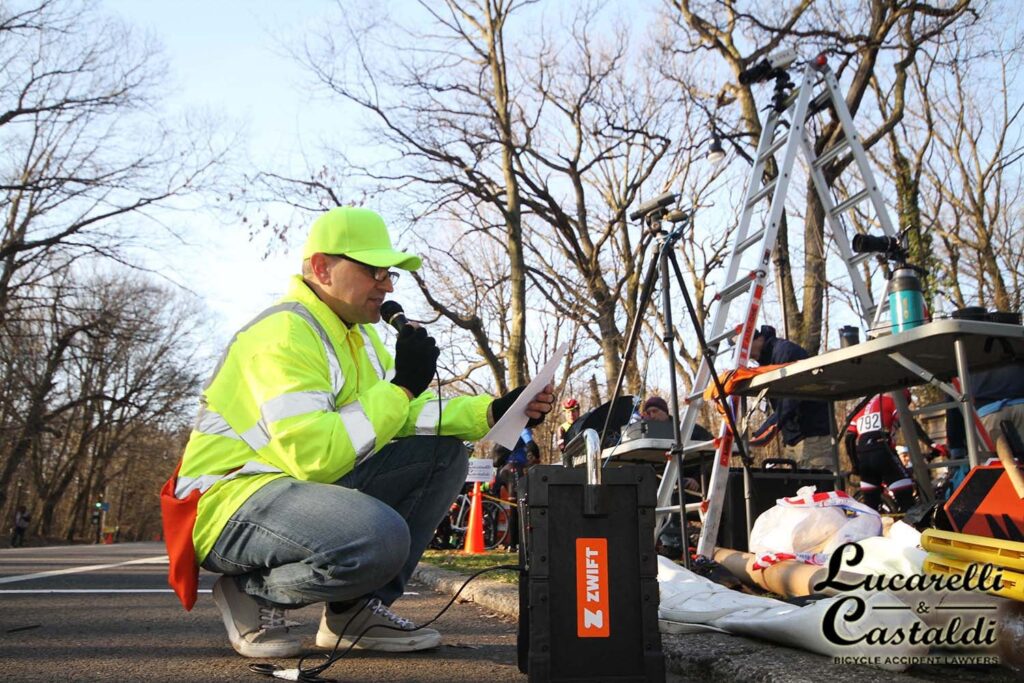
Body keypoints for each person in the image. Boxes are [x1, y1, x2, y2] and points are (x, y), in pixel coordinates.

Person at [161, 207, 554, 659]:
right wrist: (402, 386)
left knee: (443, 456)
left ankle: (354, 612)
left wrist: (493, 410)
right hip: (227, 503)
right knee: (379, 537)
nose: (387, 286)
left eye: (389, 274)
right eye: (373, 271)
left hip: (288, 491)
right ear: (322, 268)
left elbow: (402, 415)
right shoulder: (282, 334)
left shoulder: (356, 339)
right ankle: (253, 592)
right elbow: (315, 456)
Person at [747, 325, 833, 470]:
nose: (749, 355)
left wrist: (765, 431)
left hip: (812, 437)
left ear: (758, 339)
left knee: (817, 482)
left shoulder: (785, 352)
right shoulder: (768, 360)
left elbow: (790, 400)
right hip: (793, 439)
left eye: (748, 348)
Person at [843, 389, 943, 511]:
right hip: (882, 450)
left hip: (863, 457)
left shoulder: (861, 410)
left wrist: (855, 465)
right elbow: (907, 421)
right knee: (905, 494)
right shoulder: (891, 402)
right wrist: (931, 443)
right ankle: (909, 518)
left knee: (870, 505)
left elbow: (849, 439)